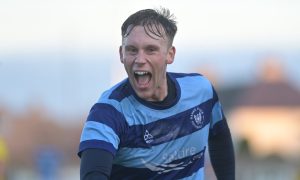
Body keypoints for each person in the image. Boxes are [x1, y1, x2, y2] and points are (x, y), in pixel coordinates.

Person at [78, 8, 235, 180]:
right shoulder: (107, 113)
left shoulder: (201, 91)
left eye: (150, 50)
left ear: (170, 54)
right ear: (121, 54)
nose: (139, 59)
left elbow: (219, 136)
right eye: (132, 50)